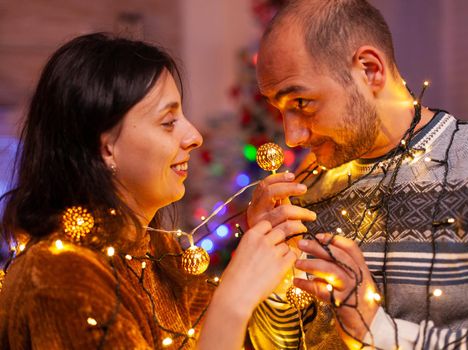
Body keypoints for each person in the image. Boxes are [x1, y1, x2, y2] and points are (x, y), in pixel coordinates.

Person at [0, 32, 311, 349]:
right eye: (168, 122)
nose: (193, 137)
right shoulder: (59, 276)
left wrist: (264, 251)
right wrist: (233, 300)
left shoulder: (157, 250)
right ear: (106, 148)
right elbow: (223, 324)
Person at [246, 0, 468, 349]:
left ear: (369, 70)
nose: (292, 137)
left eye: (301, 102)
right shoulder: (306, 194)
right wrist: (270, 270)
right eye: (279, 110)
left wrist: (375, 329)